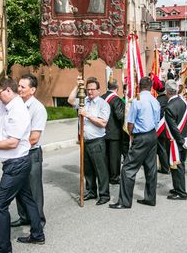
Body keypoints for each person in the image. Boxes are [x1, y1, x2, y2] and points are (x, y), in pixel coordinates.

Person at [0, 76, 44, 252]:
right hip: (16, 163)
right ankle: (37, 234)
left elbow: (13, 142)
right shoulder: (4, 103)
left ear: (8, 91)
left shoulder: (18, 110)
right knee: (26, 197)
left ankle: (4, 248)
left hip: (17, 164)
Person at [110, 77, 160, 209]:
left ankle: (124, 201)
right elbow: (157, 120)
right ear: (151, 87)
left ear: (139, 86)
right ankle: (150, 198)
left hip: (141, 136)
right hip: (152, 135)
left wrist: (132, 135)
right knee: (151, 169)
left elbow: (130, 122)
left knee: (128, 168)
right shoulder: (155, 101)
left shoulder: (137, 102)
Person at [11, 74, 47, 229]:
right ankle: (24, 216)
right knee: (19, 187)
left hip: (31, 154)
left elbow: (34, 138)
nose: (19, 89)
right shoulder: (16, 104)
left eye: (22, 87)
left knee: (34, 189)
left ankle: (38, 222)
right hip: (19, 153)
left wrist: (12, 144)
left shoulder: (38, 109)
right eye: (18, 86)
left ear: (32, 90)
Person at [68, 76, 111, 206]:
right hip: (84, 141)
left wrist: (88, 115)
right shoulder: (83, 100)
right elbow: (70, 100)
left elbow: (103, 123)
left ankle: (104, 194)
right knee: (88, 169)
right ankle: (91, 191)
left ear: (99, 90)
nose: (90, 92)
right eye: (88, 89)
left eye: (93, 89)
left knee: (100, 169)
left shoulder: (103, 104)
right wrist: (77, 86)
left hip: (97, 141)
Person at [163, 80, 187, 200]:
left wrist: (180, 140)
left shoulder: (169, 107)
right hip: (184, 138)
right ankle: (177, 187)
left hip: (175, 141)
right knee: (179, 165)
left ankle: (181, 192)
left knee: (176, 165)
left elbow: (173, 128)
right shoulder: (185, 102)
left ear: (167, 91)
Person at [101, 78, 125, 185]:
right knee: (114, 157)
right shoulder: (117, 100)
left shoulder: (101, 98)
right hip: (114, 133)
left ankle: (105, 174)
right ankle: (114, 177)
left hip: (101, 132)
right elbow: (120, 116)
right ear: (117, 88)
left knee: (105, 155)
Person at [155, 81, 170, 174]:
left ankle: (165, 167)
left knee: (162, 148)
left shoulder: (156, 100)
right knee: (168, 147)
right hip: (169, 127)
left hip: (160, 127)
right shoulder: (169, 99)